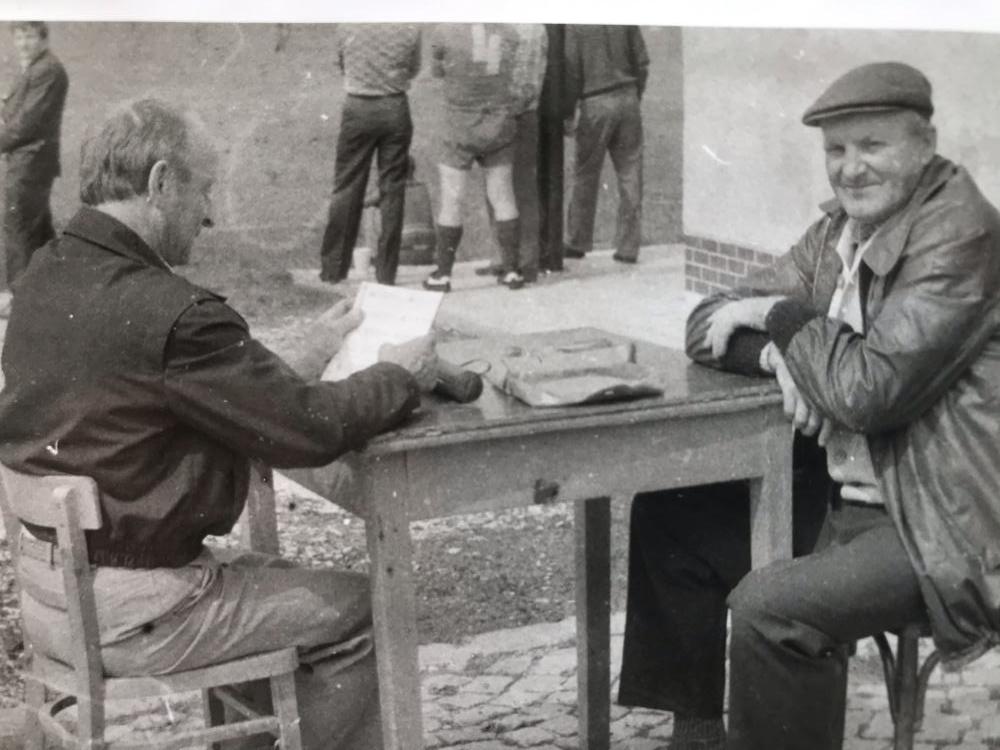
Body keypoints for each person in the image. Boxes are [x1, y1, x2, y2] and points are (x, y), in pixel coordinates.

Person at [0, 99, 440, 750]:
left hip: (53, 599)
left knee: (273, 586)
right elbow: (309, 430)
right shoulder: (175, 312)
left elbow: (185, 391)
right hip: (139, 610)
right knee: (372, 603)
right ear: (160, 182)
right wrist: (400, 374)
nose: (208, 214)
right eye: (203, 190)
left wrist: (312, 346)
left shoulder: (45, 274)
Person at [626, 61, 1000, 749]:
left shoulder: (961, 235)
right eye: (836, 149)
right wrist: (781, 357)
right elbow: (707, 322)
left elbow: (868, 392)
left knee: (774, 611)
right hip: (852, 491)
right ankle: (699, 735)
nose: (851, 168)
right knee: (672, 514)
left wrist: (781, 317)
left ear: (924, 144)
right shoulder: (840, 234)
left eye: (873, 145)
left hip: (938, 520)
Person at [423, 23, 525, 292]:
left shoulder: (443, 32)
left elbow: (437, 73)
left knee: (452, 200)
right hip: (498, 121)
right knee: (503, 196)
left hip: (459, 123)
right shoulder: (510, 32)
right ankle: (511, 271)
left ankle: (443, 275)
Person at [318, 23, 421, 286]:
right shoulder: (410, 26)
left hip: (358, 105)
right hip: (395, 105)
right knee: (392, 190)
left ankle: (333, 269)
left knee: (347, 187)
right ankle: (386, 274)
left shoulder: (348, 23)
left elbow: (340, 64)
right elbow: (414, 68)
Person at [562, 25, 647, 264]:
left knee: (585, 174)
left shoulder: (575, 25)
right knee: (631, 173)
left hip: (595, 101)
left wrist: (568, 112)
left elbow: (572, 72)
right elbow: (642, 62)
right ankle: (628, 247)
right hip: (627, 95)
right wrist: (635, 95)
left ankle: (577, 240)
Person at [475, 24, 547, 283]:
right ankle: (524, 261)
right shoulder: (537, 28)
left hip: (501, 112)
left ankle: (506, 258)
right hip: (527, 112)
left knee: (498, 186)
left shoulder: (499, 26)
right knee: (522, 188)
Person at [1, 21, 68, 288]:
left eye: (28, 37)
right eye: (18, 38)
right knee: (38, 231)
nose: (23, 44)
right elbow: (16, 112)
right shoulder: (35, 68)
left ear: (43, 38)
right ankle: (52, 291)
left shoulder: (47, 70)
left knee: (19, 227)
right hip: (30, 161)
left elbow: (26, 124)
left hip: (31, 161)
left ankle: (20, 297)